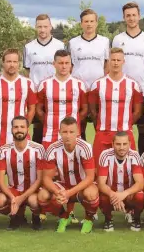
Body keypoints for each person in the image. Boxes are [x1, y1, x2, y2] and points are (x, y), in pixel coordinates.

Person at [0, 48, 37, 206]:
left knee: (25, 176)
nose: (12, 65)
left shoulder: (27, 83)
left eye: (15, 61)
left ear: (19, 64)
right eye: (9, 61)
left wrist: (24, 127)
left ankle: (24, 212)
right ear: (3, 63)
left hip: (21, 139)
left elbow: (32, 108)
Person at [37, 117, 99, 234]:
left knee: (91, 193)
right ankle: (64, 216)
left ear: (78, 132)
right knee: (43, 195)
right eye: (64, 132)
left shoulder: (85, 147)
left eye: (71, 132)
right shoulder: (52, 149)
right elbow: (46, 178)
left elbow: (90, 177)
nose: (68, 135)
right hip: (63, 185)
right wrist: (57, 192)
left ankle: (88, 219)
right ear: (60, 132)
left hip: (82, 185)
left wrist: (69, 193)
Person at [111, 2, 144, 153]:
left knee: (143, 127)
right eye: (128, 15)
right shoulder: (117, 39)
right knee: (122, 127)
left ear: (139, 16)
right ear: (124, 17)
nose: (131, 18)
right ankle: (122, 160)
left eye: (133, 15)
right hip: (121, 90)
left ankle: (142, 161)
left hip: (141, 90)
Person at [88, 47, 143, 158]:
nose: (116, 63)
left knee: (128, 171)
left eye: (118, 60)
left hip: (125, 134)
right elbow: (93, 111)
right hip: (103, 134)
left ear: (123, 61)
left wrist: (126, 124)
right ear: (108, 61)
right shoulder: (97, 84)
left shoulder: (133, 84)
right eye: (113, 60)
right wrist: (100, 126)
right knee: (99, 172)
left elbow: (137, 112)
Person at [0, 116, 45, 231]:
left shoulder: (38, 149)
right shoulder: (4, 150)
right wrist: (13, 198)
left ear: (28, 129)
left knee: (33, 200)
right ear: (11, 129)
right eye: (16, 127)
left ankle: (36, 217)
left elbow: (39, 180)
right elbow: (0, 180)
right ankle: (18, 216)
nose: (19, 130)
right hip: (14, 190)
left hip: (33, 190)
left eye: (22, 127)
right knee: (0, 200)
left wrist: (21, 198)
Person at [68, 8, 110, 139]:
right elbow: (70, 65)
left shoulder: (104, 41)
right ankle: (81, 153)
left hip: (98, 90)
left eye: (92, 21)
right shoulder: (73, 43)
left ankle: (101, 153)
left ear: (97, 23)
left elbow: (107, 64)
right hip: (79, 90)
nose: (89, 24)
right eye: (86, 21)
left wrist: (103, 82)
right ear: (81, 23)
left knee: (100, 123)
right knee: (79, 124)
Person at [23, 14, 65, 145]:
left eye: (45, 26)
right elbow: (28, 70)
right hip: (36, 95)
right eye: (39, 26)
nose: (42, 30)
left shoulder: (60, 45)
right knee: (38, 130)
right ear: (35, 27)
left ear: (50, 27)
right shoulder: (28, 47)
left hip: (55, 93)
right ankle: (37, 160)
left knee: (60, 128)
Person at [36, 49, 88, 148]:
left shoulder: (79, 84)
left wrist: (74, 122)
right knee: (49, 163)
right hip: (50, 135)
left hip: (73, 136)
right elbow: (38, 110)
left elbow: (84, 110)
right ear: (54, 64)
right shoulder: (45, 84)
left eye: (66, 63)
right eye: (60, 63)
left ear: (71, 65)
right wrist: (49, 121)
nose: (64, 66)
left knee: (72, 163)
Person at [96, 131, 144, 232]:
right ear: (113, 144)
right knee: (102, 195)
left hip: (128, 195)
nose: (121, 147)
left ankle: (136, 219)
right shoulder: (105, 155)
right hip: (111, 194)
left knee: (140, 196)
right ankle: (108, 219)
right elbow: (101, 184)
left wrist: (123, 194)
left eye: (124, 144)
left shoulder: (134, 155)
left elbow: (140, 183)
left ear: (130, 144)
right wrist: (114, 195)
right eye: (118, 144)